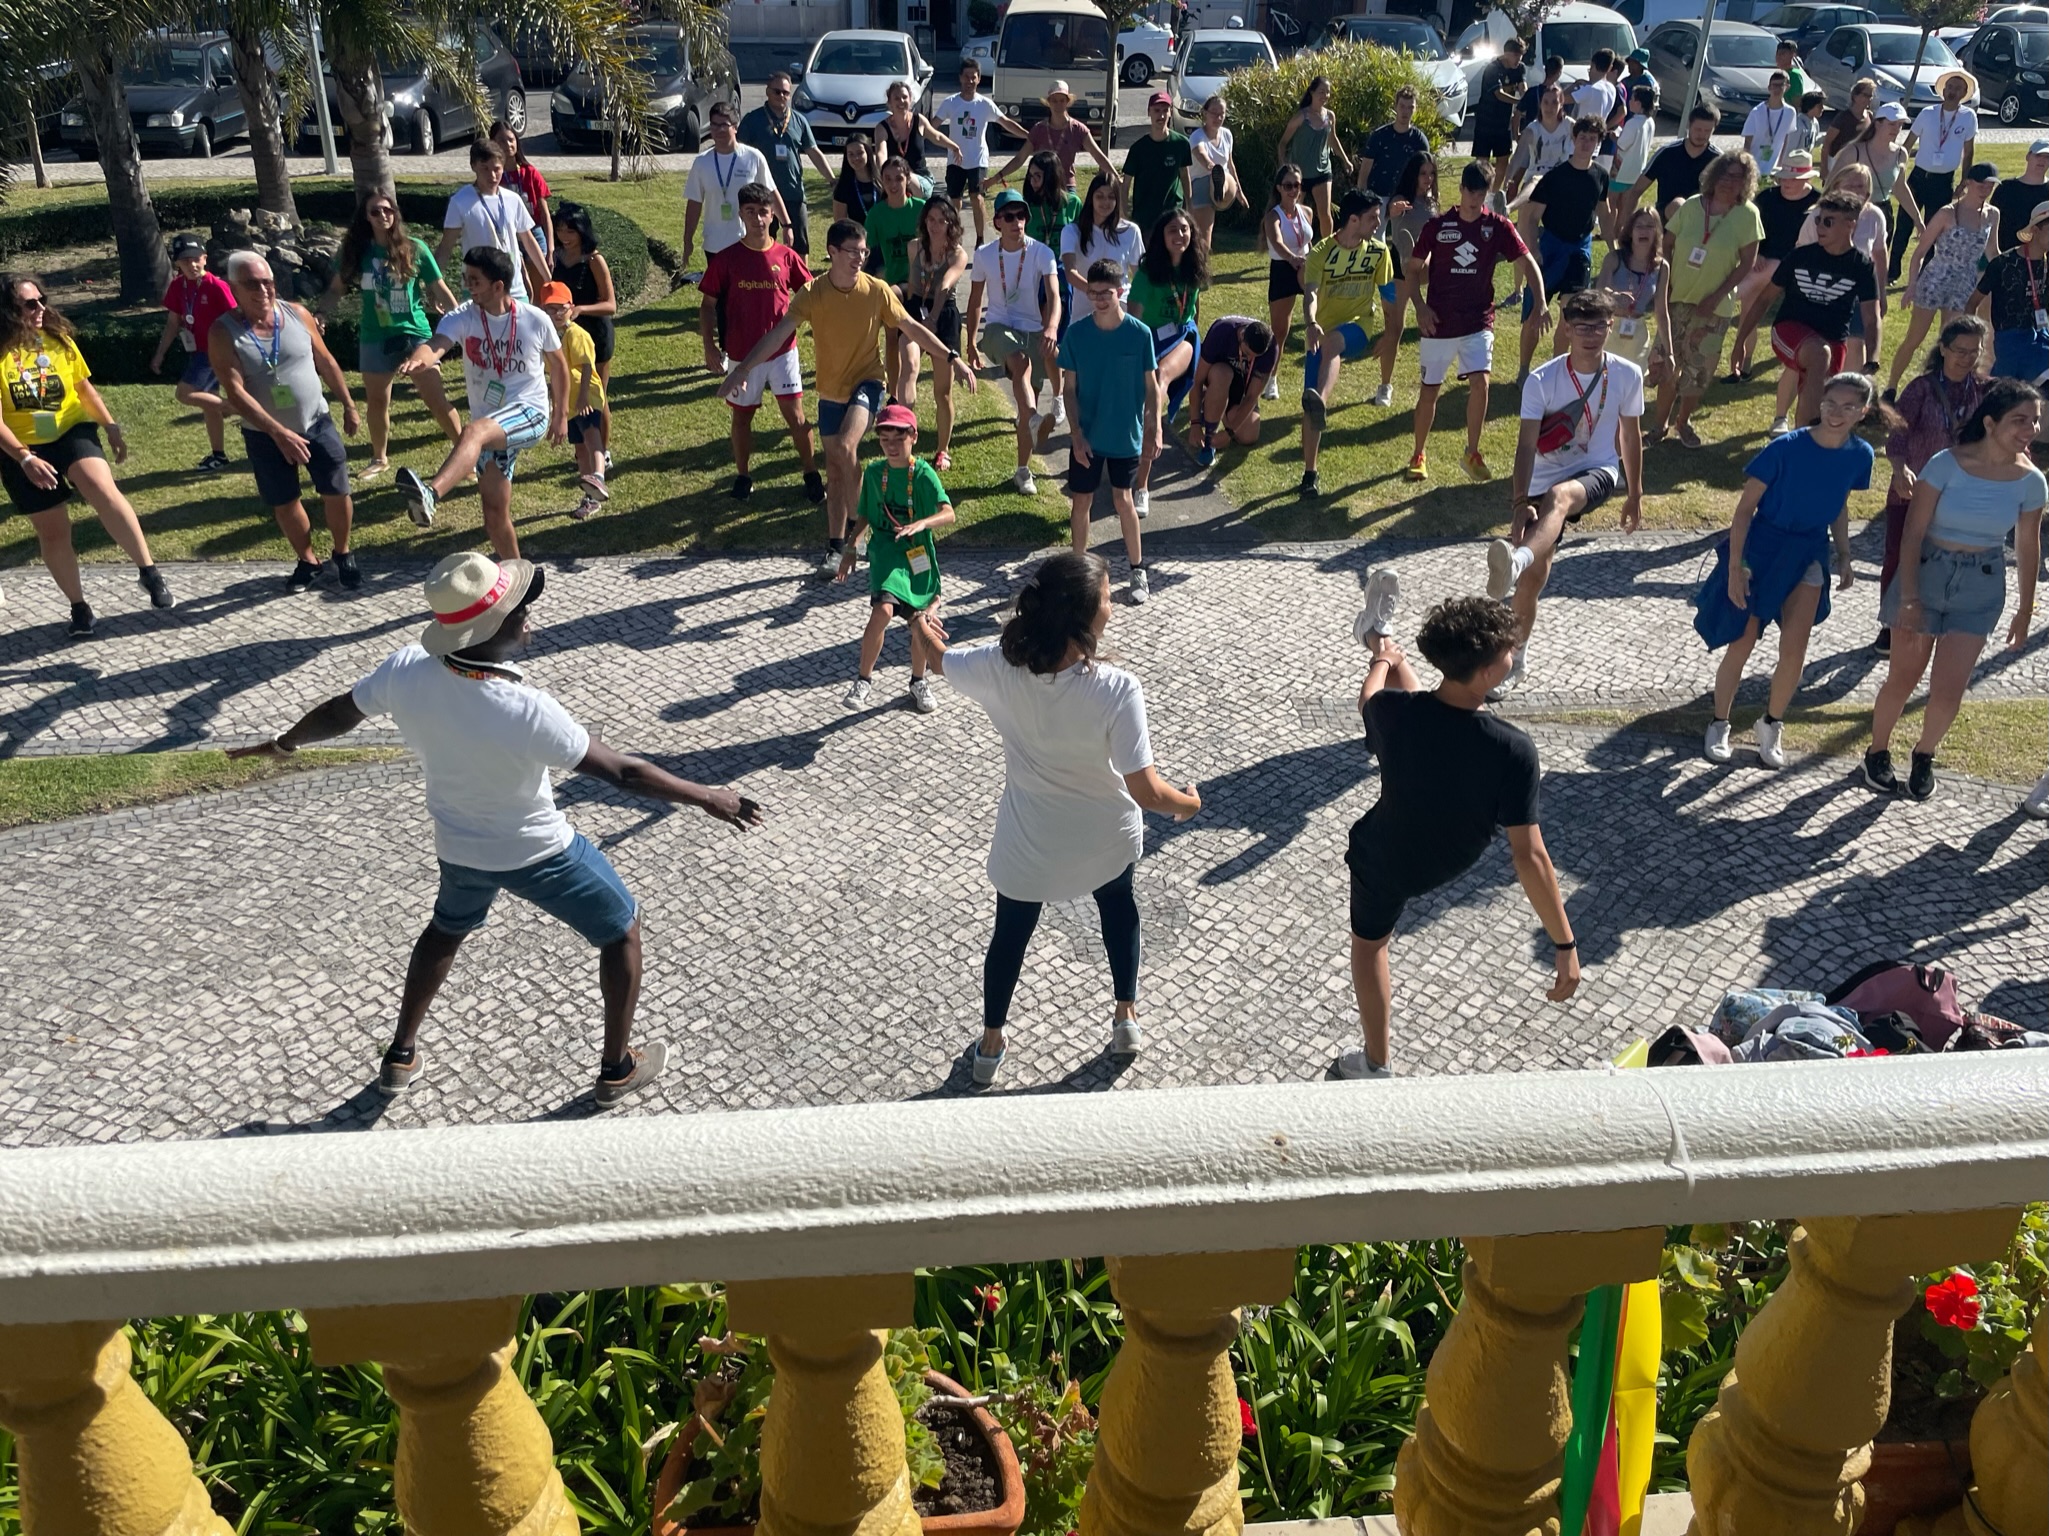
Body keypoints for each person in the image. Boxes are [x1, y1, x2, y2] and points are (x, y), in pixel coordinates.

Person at [229, 551, 763, 1106]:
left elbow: (342, 711)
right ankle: (616, 1071)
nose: (528, 615)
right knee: (621, 930)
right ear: (492, 629)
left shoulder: (406, 668)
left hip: (459, 846)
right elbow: (625, 773)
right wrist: (709, 796)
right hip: (539, 852)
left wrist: (285, 742)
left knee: (445, 931)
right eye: (518, 610)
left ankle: (400, 1056)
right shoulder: (525, 708)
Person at [904, 549, 1201, 1084]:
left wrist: (924, 627)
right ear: (1084, 616)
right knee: (1118, 909)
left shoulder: (998, 668)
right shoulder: (1116, 689)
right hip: (1104, 839)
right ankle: (1125, 1017)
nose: (1112, 608)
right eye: (1108, 599)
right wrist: (1189, 803)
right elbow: (1148, 791)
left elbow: (942, 659)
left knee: (1010, 937)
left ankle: (990, 1046)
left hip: (1030, 845)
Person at [1342, 589, 1577, 1080]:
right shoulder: (1512, 750)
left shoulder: (1394, 716)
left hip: (1385, 855)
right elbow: (1530, 857)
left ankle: (1376, 1064)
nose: (1513, 655)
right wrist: (1564, 944)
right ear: (1490, 673)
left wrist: (1382, 661)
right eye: (1508, 652)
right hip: (1449, 857)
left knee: (1369, 948)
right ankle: (1380, 636)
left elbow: (1374, 700)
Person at [723, 219, 970, 571]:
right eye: (853, 252)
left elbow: (911, 327)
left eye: (864, 251)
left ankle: (862, 525)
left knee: (844, 447)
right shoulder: (813, 293)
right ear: (833, 252)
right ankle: (836, 546)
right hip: (830, 392)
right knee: (836, 472)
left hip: (868, 383)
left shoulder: (877, 290)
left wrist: (952, 357)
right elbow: (778, 335)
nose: (860, 258)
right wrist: (744, 369)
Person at [1866, 379, 2045, 798]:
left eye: (2035, 421)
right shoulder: (1945, 463)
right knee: (1903, 678)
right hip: (1926, 572)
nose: (2031, 429)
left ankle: (1924, 754)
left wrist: (2025, 609)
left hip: (1980, 585)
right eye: (2020, 420)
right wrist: (1908, 597)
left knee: (1949, 687)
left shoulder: (2032, 482)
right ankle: (1877, 752)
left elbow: (2028, 545)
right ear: (1990, 422)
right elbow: (1911, 535)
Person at [1694, 371, 1877, 768]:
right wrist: (1736, 567)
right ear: (1819, 403)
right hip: (1762, 549)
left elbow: (1841, 505)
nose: (1836, 413)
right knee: (1741, 643)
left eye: (1848, 407)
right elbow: (1743, 513)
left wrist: (1844, 555)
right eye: (1830, 404)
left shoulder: (1861, 454)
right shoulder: (1785, 448)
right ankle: (1719, 722)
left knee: (1795, 649)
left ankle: (1772, 723)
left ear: (1862, 412)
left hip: (1809, 552)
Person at [0, 274, 174, 635]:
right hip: (21, 447)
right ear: (8, 311)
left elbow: (83, 388)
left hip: (70, 429)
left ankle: (148, 571)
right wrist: (25, 458)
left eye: (41, 300)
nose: (40, 309)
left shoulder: (57, 340)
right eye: (30, 304)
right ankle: (79, 607)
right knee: (53, 531)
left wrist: (110, 426)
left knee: (101, 486)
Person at [1494, 289, 1644, 696]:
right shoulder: (1543, 379)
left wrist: (1635, 494)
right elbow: (1525, 446)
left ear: (1610, 327)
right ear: (1567, 328)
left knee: (1560, 497)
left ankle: (1518, 558)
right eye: (1582, 327)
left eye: (1599, 326)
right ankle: (1515, 659)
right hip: (1541, 481)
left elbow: (1630, 438)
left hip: (1597, 472)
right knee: (1532, 583)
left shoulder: (1628, 374)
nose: (1591, 335)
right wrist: (1519, 503)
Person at [393, 245, 568, 559]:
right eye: (466, 278)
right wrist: (419, 361)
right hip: (492, 422)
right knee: (494, 514)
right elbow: (436, 345)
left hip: (530, 412)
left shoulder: (534, 319)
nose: (467, 286)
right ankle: (518, 578)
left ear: (498, 286)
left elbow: (559, 367)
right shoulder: (464, 316)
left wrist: (560, 415)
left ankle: (431, 494)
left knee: (473, 432)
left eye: (474, 280)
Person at [210, 251, 363, 593]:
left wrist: (349, 405)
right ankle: (308, 560)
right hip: (265, 436)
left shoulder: (297, 314)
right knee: (285, 501)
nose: (264, 290)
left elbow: (326, 360)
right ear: (234, 287)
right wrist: (278, 433)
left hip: (317, 422)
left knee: (337, 490)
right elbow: (235, 392)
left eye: (268, 282)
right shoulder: (223, 333)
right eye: (252, 284)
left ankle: (343, 553)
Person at [1404, 160, 1542, 484]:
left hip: (1479, 321)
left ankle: (1472, 452)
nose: (1474, 201)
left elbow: (1528, 261)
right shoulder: (1438, 226)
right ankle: (1418, 454)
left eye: (1481, 195)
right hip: (1439, 322)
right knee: (1430, 392)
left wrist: (1541, 303)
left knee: (1481, 382)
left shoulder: (1498, 227)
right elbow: (1411, 271)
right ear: (1461, 189)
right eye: (1470, 193)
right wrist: (1420, 308)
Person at [319, 193, 463, 480]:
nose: (383, 215)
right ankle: (379, 458)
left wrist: (462, 319)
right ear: (366, 217)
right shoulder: (356, 252)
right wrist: (321, 313)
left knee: (436, 399)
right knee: (377, 402)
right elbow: (337, 288)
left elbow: (439, 287)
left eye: (388, 210)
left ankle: (465, 454)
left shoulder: (415, 249)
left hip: (415, 335)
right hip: (375, 336)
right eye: (375, 211)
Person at [701, 183, 823, 505]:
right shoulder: (727, 259)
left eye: (763, 212)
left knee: (796, 417)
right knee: (741, 418)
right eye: (750, 212)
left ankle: (811, 473)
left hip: (783, 352)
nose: (757, 219)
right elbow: (707, 305)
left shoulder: (787, 257)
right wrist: (710, 347)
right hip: (742, 357)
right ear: (740, 214)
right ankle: (743, 476)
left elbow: (812, 295)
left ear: (773, 216)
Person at [1874, 315, 1988, 657]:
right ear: (1943, 348)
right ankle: (1889, 625)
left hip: (1958, 495)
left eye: (1974, 351)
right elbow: (1898, 434)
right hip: (1912, 487)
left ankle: (1936, 619)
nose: (1966, 357)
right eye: (1960, 350)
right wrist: (1899, 469)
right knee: (1898, 554)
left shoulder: (1984, 390)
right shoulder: (1921, 388)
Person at [834, 402, 954, 712]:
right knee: (884, 611)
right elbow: (865, 516)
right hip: (887, 552)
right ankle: (863, 680)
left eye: (897, 439)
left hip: (917, 552)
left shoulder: (923, 474)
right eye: (884, 440)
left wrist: (921, 523)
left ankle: (918, 681)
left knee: (921, 619)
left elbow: (948, 513)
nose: (890, 446)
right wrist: (850, 548)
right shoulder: (875, 473)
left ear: (913, 437)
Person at [1060, 259, 1161, 602]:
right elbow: (1068, 389)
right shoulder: (1076, 334)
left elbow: (1152, 386)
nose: (1100, 299)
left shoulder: (1139, 333)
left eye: (1107, 293)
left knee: (1123, 500)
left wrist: (1155, 426)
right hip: (1087, 435)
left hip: (1124, 435)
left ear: (1120, 292)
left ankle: (1137, 570)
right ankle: (1078, 574)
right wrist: (1075, 433)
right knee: (1081, 501)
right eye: (1093, 293)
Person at [1653, 149, 1761, 446]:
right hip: (1676, 300)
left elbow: (1747, 263)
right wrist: (1667, 282)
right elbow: (1667, 244)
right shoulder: (1690, 206)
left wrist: (1717, 296)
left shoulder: (1748, 215)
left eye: (1738, 178)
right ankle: (1659, 425)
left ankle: (1683, 421)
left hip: (1715, 306)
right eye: (1725, 175)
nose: (1729, 182)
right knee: (1667, 364)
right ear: (1714, 175)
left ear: (1746, 183)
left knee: (1698, 370)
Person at [966, 188, 1063, 495]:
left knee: (1026, 404)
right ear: (997, 222)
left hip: (1033, 330)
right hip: (997, 328)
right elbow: (974, 301)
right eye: (1009, 216)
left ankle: (1023, 470)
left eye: (1021, 216)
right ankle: (1035, 419)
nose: (1016, 222)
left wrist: (1051, 328)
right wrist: (970, 342)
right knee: (1019, 363)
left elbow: (1055, 296)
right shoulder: (983, 255)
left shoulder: (1042, 253)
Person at [1299, 189, 1395, 498]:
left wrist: (1390, 333)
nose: (1377, 223)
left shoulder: (1379, 252)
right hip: (1320, 329)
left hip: (1359, 328)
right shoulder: (1321, 252)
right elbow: (1311, 293)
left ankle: (1321, 401)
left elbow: (1389, 297)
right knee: (1308, 404)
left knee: (1332, 345)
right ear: (1353, 219)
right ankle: (1309, 473)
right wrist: (1311, 323)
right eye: (1371, 218)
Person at [1769, 189, 1883, 436]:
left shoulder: (1861, 266)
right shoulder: (1801, 256)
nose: (1819, 226)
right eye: (1818, 219)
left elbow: (1872, 317)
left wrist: (1872, 357)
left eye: (1828, 222)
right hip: (1789, 329)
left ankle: (1810, 442)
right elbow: (1763, 299)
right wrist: (1739, 344)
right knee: (1819, 354)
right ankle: (1803, 442)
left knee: (1826, 398)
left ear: (1850, 225)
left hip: (1833, 338)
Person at [1887, 164, 1999, 397]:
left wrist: (2004, 276)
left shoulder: (1992, 214)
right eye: (1981, 184)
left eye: (1990, 185)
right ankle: (1891, 387)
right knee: (1914, 338)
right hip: (1936, 280)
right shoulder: (1948, 213)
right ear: (1968, 183)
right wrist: (1912, 286)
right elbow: (1919, 253)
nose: (1985, 189)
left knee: (1952, 344)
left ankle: (1944, 391)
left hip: (1964, 286)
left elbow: (1992, 253)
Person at [1516, 114, 1607, 381]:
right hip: (1551, 248)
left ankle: (1558, 368)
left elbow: (1605, 211)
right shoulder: (1555, 177)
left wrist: (1615, 245)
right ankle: (1524, 370)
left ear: (1598, 142)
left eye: (1592, 139)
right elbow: (1532, 218)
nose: (1586, 143)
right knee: (1535, 313)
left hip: (1580, 250)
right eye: (1582, 138)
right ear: (1573, 139)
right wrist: (1534, 250)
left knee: (1571, 315)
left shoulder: (1600, 176)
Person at [1127, 208, 1204, 512]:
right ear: (1161, 235)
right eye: (1173, 229)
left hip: (1182, 339)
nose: (1180, 235)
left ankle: (1142, 483)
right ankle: (1140, 439)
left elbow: (1193, 312)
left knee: (1158, 381)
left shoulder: (1193, 267)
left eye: (1184, 229)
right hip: (1147, 340)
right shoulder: (1148, 274)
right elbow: (1133, 319)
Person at [1727, 150, 1820, 381]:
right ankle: (1744, 363)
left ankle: (1727, 296)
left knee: (1767, 274)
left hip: (1799, 266)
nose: (1786, 182)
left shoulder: (1818, 203)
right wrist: (1755, 253)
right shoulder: (1767, 198)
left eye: (1793, 178)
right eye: (1784, 177)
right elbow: (1750, 232)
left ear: (1807, 178)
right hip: (1763, 262)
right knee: (1750, 308)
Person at [148, 233, 234, 473]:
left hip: (217, 351)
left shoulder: (217, 286)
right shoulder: (178, 286)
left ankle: (240, 408)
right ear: (177, 264)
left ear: (205, 259)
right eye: (185, 261)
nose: (192, 265)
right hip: (198, 351)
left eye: (196, 259)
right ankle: (219, 455)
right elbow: (173, 323)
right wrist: (160, 354)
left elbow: (236, 319)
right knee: (209, 405)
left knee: (185, 393)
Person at [1798, 162, 1892, 372]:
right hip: (1825, 289)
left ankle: (1851, 390)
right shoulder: (1819, 215)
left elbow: (1879, 253)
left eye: (1860, 186)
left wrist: (1881, 293)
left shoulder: (1874, 216)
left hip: (1859, 292)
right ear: (1836, 186)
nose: (1855, 191)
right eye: (1849, 185)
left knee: (1856, 343)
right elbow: (1802, 252)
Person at [1891, 69, 1978, 285]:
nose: (1952, 91)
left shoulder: (1968, 117)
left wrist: (1964, 181)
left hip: (1943, 181)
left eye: (1958, 88)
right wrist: (1897, 170)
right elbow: (1908, 144)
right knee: (1904, 224)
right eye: (1950, 87)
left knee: (1934, 228)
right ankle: (1892, 272)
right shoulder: (1928, 113)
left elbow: (1969, 152)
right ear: (1943, 90)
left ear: (1964, 93)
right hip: (1918, 177)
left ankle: (1925, 273)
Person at [903, 195, 970, 467]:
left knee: (942, 391)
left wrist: (932, 317)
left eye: (941, 220)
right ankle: (902, 432)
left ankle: (943, 449)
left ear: (951, 223)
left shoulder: (958, 254)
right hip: (916, 311)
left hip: (944, 315)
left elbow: (944, 285)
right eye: (931, 219)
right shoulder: (914, 247)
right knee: (908, 368)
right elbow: (912, 284)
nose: (935, 225)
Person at [438, 139, 548, 302]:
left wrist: (548, 279)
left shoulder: (513, 199)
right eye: (485, 169)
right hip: (477, 291)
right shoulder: (460, 201)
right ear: (474, 166)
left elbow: (529, 241)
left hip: (513, 290)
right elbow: (446, 246)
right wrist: (435, 287)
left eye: (497, 169)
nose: (492, 175)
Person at [739, 70, 834, 257]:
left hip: (793, 193)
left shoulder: (799, 121)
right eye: (777, 91)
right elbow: (740, 154)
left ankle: (802, 285)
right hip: (762, 195)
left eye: (786, 93)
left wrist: (832, 179)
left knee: (800, 245)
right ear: (767, 92)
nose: (781, 96)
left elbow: (813, 152)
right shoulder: (752, 120)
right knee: (762, 244)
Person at [549, 203, 616, 464]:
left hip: (595, 334)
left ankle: (603, 451)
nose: (565, 237)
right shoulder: (556, 257)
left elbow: (610, 304)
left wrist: (580, 309)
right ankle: (583, 451)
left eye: (571, 231)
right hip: (566, 337)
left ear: (582, 231)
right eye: (560, 231)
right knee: (576, 390)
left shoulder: (594, 260)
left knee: (597, 395)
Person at [682, 103, 783, 272]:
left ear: (735, 127)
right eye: (714, 125)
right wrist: (687, 239)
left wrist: (787, 225)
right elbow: (694, 203)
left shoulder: (753, 157)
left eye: (724, 125)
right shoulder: (702, 162)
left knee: (748, 292)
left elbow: (771, 192)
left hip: (747, 240)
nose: (718, 130)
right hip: (715, 243)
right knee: (721, 296)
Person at [1374, 151, 1439, 410]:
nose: (1428, 179)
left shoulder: (1433, 203)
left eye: (1431, 173)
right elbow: (1391, 213)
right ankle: (1385, 385)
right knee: (1395, 327)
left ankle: (1433, 380)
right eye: (1423, 173)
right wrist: (1393, 209)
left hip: (1427, 269)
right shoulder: (1402, 200)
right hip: (1398, 269)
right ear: (1413, 175)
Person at [937, 59, 1025, 247]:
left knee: (977, 198)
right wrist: (920, 131)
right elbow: (932, 126)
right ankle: (954, 237)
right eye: (966, 77)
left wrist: (1029, 135)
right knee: (955, 201)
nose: (969, 81)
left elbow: (1006, 123)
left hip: (978, 159)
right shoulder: (950, 103)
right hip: (955, 160)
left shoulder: (985, 104)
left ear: (978, 79)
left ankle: (980, 239)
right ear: (960, 78)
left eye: (973, 77)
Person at [540, 281, 606, 520]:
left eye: (561, 307)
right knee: (580, 449)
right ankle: (590, 495)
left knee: (591, 437)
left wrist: (583, 397)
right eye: (550, 309)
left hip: (586, 398)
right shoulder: (548, 339)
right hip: (570, 403)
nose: (556, 313)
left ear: (571, 308)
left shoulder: (576, 333)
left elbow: (587, 367)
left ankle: (599, 475)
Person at [1839, 103, 1924, 277]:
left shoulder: (1900, 154)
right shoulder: (1854, 151)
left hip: (1883, 214)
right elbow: (1834, 185)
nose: (1897, 129)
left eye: (1900, 125)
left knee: (1875, 265)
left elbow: (1900, 187)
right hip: (1852, 212)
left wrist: (1917, 219)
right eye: (1892, 123)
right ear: (1878, 123)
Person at [865, 156, 927, 385]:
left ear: (908, 179)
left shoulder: (921, 209)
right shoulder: (876, 214)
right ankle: (893, 391)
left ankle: (907, 380)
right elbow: (868, 255)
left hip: (922, 283)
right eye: (888, 179)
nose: (893, 184)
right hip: (893, 284)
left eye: (898, 178)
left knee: (915, 340)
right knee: (892, 335)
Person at [989, 80, 1114, 191]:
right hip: (1042, 187)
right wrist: (996, 178)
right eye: (1054, 100)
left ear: (1067, 102)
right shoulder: (1039, 129)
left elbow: (1098, 156)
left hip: (1067, 186)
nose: (1058, 104)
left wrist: (1116, 177)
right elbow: (1019, 159)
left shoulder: (1078, 129)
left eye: (1062, 100)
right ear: (1048, 102)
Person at [1185, 314, 1276, 465]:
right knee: (1222, 374)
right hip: (1218, 375)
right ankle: (1209, 437)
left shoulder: (1272, 347)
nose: (1250, 360)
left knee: (1248, 436)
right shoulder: (1221, 331)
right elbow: (1198, 379)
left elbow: (1252, 396)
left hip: (1241, 388)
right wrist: (1194, 424)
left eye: (1255, 358)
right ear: (1241, 336)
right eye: (1246, 354)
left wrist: (1230, 432)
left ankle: (1214, 407)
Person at [1976, 200, 2049, 383]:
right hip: (2010, 343)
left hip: (2041, 338)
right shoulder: (2003, 264)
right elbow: (1972, 302)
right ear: (2035, 230)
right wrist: (1973, 339)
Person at [1595, 207, 1672, 381]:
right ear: (1630, 232)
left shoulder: (1661, 267)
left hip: (1637, 333)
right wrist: (1614, 296)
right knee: (1604, 381)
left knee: (1633, 383)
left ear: (1657, 232)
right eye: (1639, 226)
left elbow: (1661, 312)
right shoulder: (1614, 259)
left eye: (1649, 226)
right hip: (1610, 329)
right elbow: (1599, 292)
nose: (1644, 231)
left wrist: (1670, 352)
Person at [1261, 167, 1316, 403]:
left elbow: (1310, 243)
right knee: (1280, 331)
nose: (1293, 190)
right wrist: (1293, 259)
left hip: (1305, 268)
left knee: (1316, 322)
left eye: (1297, 185)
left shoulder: (1307, 212)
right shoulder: (1273, 216)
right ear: (1279, 188)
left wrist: (1315, 263)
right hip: (1284, 269)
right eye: (1288, 185)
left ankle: (1315, 379)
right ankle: (1271, 380)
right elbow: (1277, 241)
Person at [1622, 103, 1719, 229]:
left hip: (1702, 219)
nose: (1701, 135)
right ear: (1689, 125)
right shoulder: (1667, 153)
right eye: (1698, 129)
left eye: (1707, 131)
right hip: (1666, 216)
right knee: (1678, 205)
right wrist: (1627, 225)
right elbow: (1637, 190)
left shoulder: (1718, 160)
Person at [1278, 77, 1351, 240]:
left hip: (1323, 170)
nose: (1325, 95)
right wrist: (1284, 168)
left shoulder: (1330, 116)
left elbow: (1333, 140)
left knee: (1324, 214)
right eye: (1321, 92)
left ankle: (1328, 249)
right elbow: (1282, 143)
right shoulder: (1301, 117)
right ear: (1312, 92)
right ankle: (1297, 246)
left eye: (1328, 92)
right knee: (1295, 213)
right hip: (1300, 174)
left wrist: (1345, 160)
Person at [1125, 91, 1195, 237]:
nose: (1161, 116)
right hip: (1145, 217)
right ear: (1149, 112)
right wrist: (1124, 214)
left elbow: (1184, 175)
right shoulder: (1138, 148)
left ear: (1170, 112)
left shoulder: (1181, 144)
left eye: (1165, 110)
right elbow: (1125, 184)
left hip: (1172, 214)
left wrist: (1189, 205)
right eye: (1157, 111)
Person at [875, 79, 956, 195]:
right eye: (896, 98)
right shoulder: (881, 128)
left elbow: (936, 137)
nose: (901, 101)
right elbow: (881, 154)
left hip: (920, 179)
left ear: (910, 99)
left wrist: (954, 147)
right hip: (894, 180)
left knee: (904, 176)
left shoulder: (919, 121)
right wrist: (884, 173)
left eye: (904, 97)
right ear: (889, 103)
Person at [1187, 95, 1245, 253]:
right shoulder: (1197, 136)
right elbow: (1200, 154)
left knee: (1224, 174)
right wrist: (1211, 166)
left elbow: (1230, 164)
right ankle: (1198, 270)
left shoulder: (1227, 135)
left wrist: (1240, 193)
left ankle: (1221, 187)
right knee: (1203, 236)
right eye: (1214, 113)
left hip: (1225, 184)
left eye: (1222, 114)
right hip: (1201, 185)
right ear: (1205, 113)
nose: (1218, 117)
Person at [1503, 83, 1574, 210]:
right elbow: (1517, 157)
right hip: (1534, 180)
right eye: (1545, 102)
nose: (1549, 107)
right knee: (1534, 183)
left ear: (1561, 104)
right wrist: (1508, 179)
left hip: (1560, 179)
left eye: (1554, 103)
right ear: (1540, 104)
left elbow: (1585, 142)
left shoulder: (1569, 126)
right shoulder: (1532, 130)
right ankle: (1508, 209)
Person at [1472, 38, 1528, 193]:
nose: (1518, 60)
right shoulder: (1492, 69)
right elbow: (1499, 94)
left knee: (1503, 161)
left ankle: (1492, 194)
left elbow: (1523, 86)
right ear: (1507, 54)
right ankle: (1479, 191)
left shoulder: (1519, 68)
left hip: (1503, 124)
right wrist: (1519, 102)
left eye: (1521, 56)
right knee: (1482, 163)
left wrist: (1526, 97)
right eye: (1516, 56)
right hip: (1486, 121)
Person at [490, 121, 550, 261]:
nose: (507, 145)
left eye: (511, 140)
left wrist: (551, 248)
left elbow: (545, 213)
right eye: (501, 141)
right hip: (507, 235)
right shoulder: (492, 177)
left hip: (534, 232)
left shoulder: (530, 173)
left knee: (541, 278)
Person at [1357, 85, 1428, 202]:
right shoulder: (1379, 136)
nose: (1405, 111)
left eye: (1410, 107)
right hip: (1378, 198)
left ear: (1415, 109)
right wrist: (1361, 201)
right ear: (1395, 106)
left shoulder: (1419, 141)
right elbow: (1364, 173)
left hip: (1406, 198)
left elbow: (1426, 173)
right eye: (1402, 106)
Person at [1607, 86, 1657, 243]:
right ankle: (1621, 231)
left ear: (1639, 103)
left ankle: (1609, 231)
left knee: (1611, 201)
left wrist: (1614, 135)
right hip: (1637, 169)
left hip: (1621, 168)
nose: (1630, 101)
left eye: (1633, 98)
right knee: (1627, 205)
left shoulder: (1633, 123)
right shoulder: (1650, 122)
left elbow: (1622, 144)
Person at [1992, 139, 2049, 253]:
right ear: (2028, 156)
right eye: (2038, 155)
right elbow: (1991, 223)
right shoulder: (2006, 188)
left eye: (2047, 157)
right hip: (2008, 255)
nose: (2042, 160)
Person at [1743, 71, 1800, 183]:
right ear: (1769, 87)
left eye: (1781, 85)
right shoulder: (1757, 112)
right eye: (1774, 85)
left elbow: (1786, 139)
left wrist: (1781, 165)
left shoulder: (1790, 112)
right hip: (1754, 166)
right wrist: (1746, 166)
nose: (1777, 89)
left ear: (1787, 87)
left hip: (1773, 168)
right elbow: (1747, 143)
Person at [1820, 77, 1878, 178]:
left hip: (1861, 164)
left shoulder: (1870, 116)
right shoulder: (1843, 117)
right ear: (1855, 96)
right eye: (1865, 95)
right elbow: (1827, 143)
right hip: (1839, 163)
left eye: (1870, 96)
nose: (1868, 99)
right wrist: (1824, 168)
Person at [833, 138, 884, 228]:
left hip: (884, 237)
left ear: (868, 153)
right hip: (857, 239)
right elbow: (840, 224)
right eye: (851, 154)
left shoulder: (882, 182)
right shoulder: (843, 187)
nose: (856, 158)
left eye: (860, 153)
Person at [1777, 37, 1810, 104]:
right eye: (1778, 53)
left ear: (1792, 55)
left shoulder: (1794, 75)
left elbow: (1796, 101)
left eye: (1783, 53)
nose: (1779, 56)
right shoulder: (1778, 73)